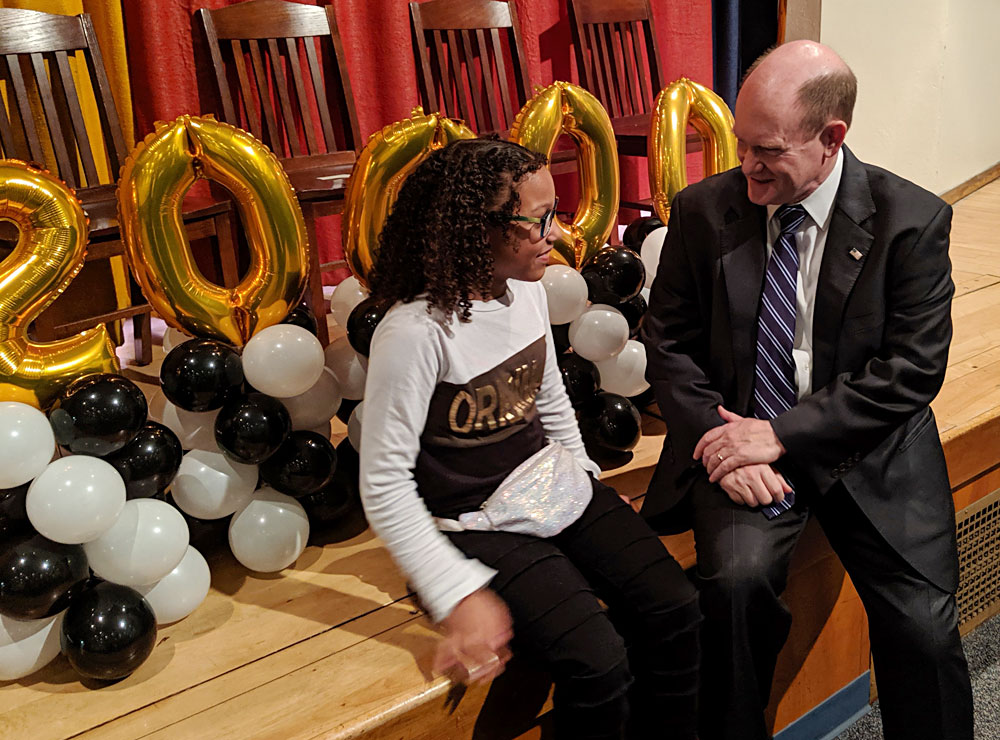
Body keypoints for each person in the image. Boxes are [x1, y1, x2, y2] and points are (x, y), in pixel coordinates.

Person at [641, 41, 973, 740]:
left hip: (867, 446)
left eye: (767, 150)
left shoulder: (910, 221)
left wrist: (782, 432)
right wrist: (717, 434)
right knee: (732, 590)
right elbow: (667, 345)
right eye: (740, 144)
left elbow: (911, 372)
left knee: (923, 629)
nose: (747, 167)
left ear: (832, 139)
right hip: (742, 442)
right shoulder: (704, 211)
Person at [359, 137, 701, 740]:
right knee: (598, 663)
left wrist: (585, 485)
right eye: (539, 218)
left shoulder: (527, 293)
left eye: (555, 213)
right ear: (477, 228)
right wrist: (455, 593)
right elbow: (384, 486)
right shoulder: (415, 332)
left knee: (674, 608)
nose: (557, 231)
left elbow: (551, 404)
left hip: (543, 486)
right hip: (469, 524)